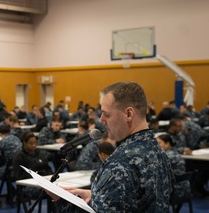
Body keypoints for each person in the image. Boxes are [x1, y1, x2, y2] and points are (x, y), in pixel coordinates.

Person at [50, 81, 174, 212]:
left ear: (128, 114)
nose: (101, 120)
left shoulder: (121, 162)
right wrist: (97, 196)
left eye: (107, 114)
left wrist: (61, 201)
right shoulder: (158, 152)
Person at [12, 131, 53, 198]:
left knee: (58, 190)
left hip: (43, 182)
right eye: (30, 143)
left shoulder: (40, 153)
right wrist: (38, 175)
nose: (33, 145)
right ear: (24, 143)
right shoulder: (19, 156)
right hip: (27, 186)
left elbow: (48, 168)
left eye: (35, 143)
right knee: (49, 191)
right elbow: (19, 176)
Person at [156, 134, 191, 202]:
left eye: (159, 143)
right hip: (186, 190)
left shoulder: (166, 156)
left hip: (174, 192)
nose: (156, 145)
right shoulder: (175, 152)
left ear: (167, 144)